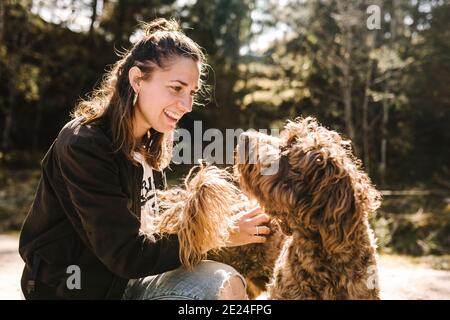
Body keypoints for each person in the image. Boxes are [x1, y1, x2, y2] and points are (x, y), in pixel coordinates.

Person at [18, 18, 271, 300]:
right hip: (73, 291)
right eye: (176, 88)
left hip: (125, 282)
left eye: (191, 93)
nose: (186, 105)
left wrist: (220, 223)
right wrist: (216, 234)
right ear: (137, 79)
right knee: (213, 289)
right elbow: (126, 255)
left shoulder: (149, 146)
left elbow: (153, 238)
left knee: (225, 280)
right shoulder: (84, 146)